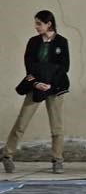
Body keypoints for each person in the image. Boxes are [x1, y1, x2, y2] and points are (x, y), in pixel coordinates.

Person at [3, 10, 70, 174]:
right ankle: (7, 155)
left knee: (57, 126)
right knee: (21, 122)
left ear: (49, 24)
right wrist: (38, 83)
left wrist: (50, 85)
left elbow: (64, 67)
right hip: (36, 86)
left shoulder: (62, 42)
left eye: (39, 23)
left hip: (54, 88)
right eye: (36, 23)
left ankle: (57, 159)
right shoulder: (33, 42)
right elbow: (29, 65)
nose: (36, 27)